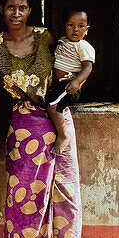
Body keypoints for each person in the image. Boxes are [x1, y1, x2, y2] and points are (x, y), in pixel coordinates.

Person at [0, 0, 85, 238]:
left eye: (22, 7)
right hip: (24, 125)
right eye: (10, 7)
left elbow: (72, 60)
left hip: (59, 120)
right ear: (1, 9)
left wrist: (75, 84)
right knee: (23, 195)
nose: (16, 13)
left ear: (30, 9)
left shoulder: (46, 38)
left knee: (66, 192)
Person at [46, 8, 95, 155]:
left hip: (68, 86)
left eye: (80, 26)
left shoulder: (83, 46)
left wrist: (76, 81)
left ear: (87, 29)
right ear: (64, 26)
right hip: (58, 84)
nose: (75, 29)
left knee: (52, 106)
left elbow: (88, 67)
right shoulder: (62, 41)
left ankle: (63, 135)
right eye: (70, 25)